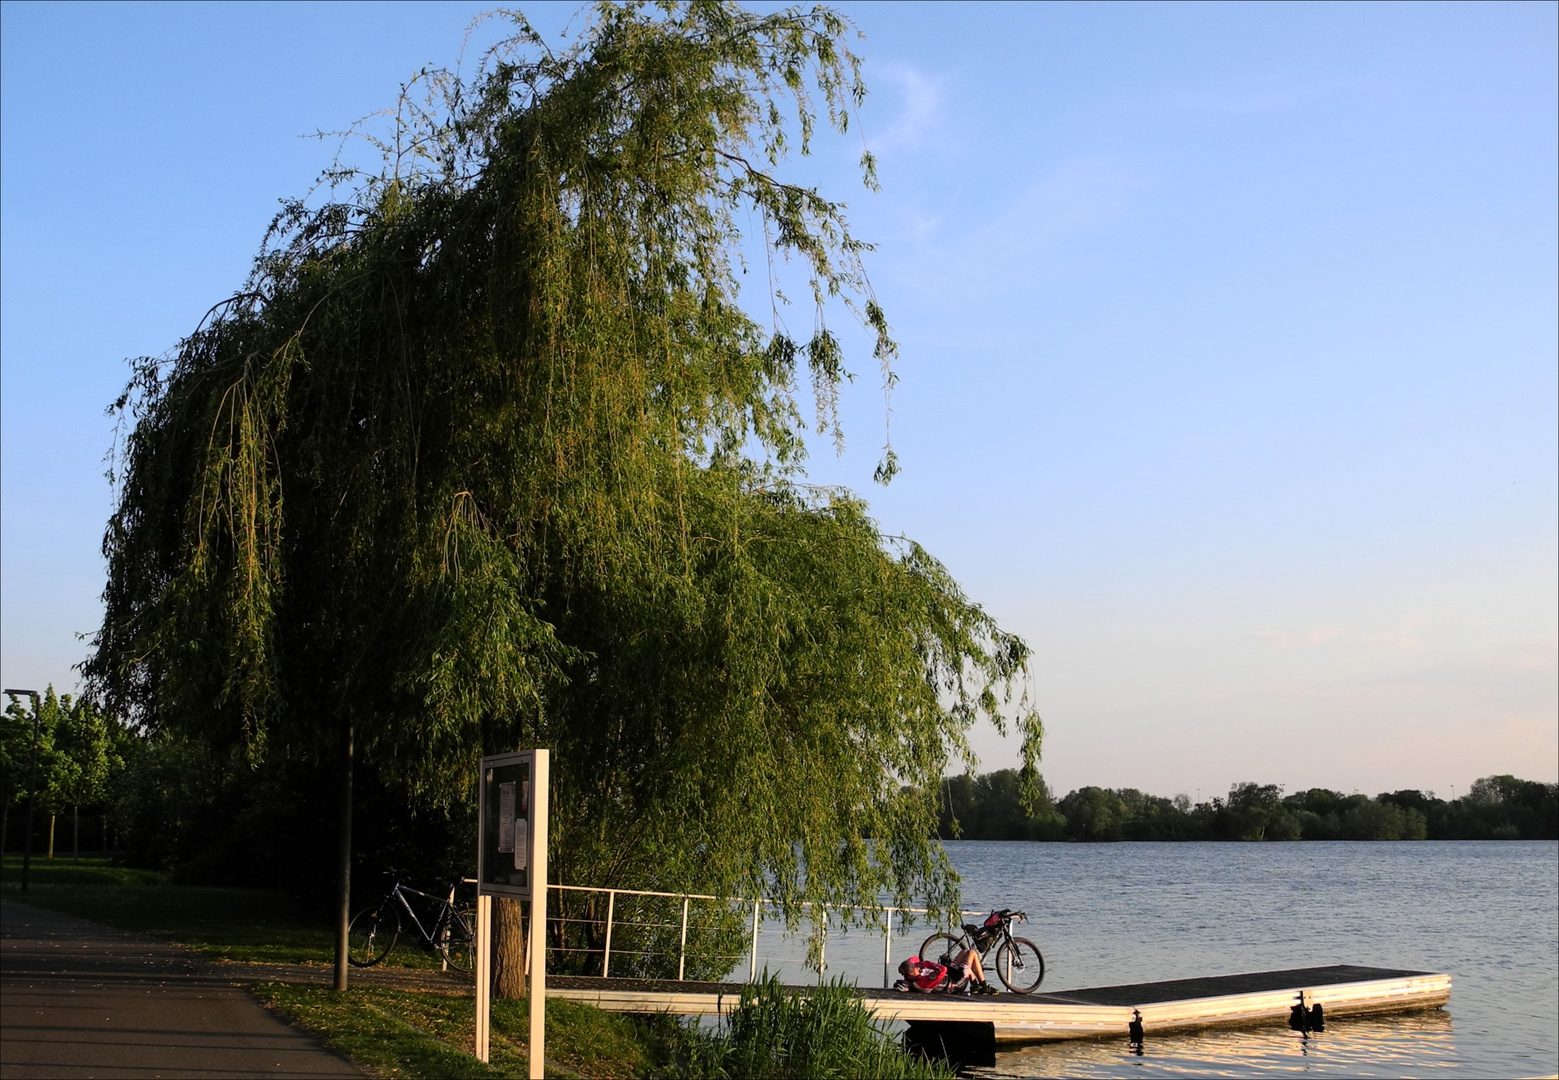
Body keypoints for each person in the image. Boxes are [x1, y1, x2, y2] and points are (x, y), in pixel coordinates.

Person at [898, 950, 998, 995]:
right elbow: (943, 970)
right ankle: (984, 986)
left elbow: (915, 958)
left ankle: (975, 986)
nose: (918, 967)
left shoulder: (910, 974)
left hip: (950, 975)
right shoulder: (921, 983)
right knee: (972, 953)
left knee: (964, 952)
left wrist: (903, 967)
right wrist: (928, 964)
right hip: (956, 983)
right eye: (915, 967)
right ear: (911, 973)